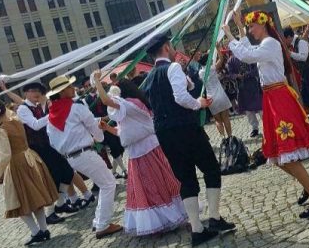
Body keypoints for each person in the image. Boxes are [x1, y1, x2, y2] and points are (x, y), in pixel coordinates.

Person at [224, 10, 309, 217]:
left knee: (285, 154)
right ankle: (308, 184)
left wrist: (229, 35)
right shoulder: (266, 44)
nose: (251, 30)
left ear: (262, 25)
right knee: (275, 154)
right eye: (250, 27)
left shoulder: (270, 43)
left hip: (278, 98)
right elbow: (250, 50)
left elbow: (247, 55)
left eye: (252, 26)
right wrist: (239, 29)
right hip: (272, 98)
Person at [140, 33, 235, 246]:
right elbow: (181, 97)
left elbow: (185, 88)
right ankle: (215, 218)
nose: (174, 49)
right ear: (166, 47)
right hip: (185, 127)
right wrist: (199, 103)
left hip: (164, 132)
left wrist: (185, 78)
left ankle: (197, 229)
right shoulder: (172, 68)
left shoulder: (151, 76)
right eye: (171, 45)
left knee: (186, 178)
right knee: (211, 168)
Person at [92, 73, 187, 236]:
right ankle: (162, 219)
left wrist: (98, 83)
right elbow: (125, 132)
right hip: (140, 151)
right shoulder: (131, 106)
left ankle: (166, 219)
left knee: (155, 185)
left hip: (147, 151)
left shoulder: (131, 104)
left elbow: (107, 101)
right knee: (150, 187)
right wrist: (107, 128)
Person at [45, 75, 123, 239]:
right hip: (84, 152)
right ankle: (103, 225)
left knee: (105, 184)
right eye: (69, 87)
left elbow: (53, 142)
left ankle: (99, 221)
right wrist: (99, 137)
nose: (73, 88)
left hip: (71, 157)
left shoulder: (51, 115)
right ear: (62, 92)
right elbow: (92, 126)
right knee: (109, 184)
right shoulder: (76, 107)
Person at [4, 82, 85, 224]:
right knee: (51, 178)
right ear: (26, 93)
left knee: (66, 172)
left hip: (48, 145)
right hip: (37, 148)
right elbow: (35, 125)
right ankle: (50, 212)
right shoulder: (23, 109)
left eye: (39, 91)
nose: (37, 93)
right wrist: (53, 114)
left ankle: (60, 204)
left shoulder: (36, 106)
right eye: (33, 90)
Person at [0, 100, 59, 245]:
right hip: (30, 158)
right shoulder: (16, 120)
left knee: (18, 200)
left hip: (17, 163)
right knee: (36, 197)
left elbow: (4, 155)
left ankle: (35, 231)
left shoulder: (1, 130)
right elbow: (10, 113)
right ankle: (44, 229)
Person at [84, 84, 127, 179]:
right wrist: (102, 118)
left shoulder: (102, 94)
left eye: (89, 84)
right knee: (114, 148)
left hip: (111, 123)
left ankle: (114, 172)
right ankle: (124, 170)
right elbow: (87, 117)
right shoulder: (85, 100)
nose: (89, 87)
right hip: (100, 127)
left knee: (120, 147)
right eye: (86, 86)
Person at [284, 27, 309, 123]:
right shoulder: (293, 44)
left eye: (284, 39)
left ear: (289, 37)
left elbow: (303, 57)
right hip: (304, 71)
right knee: (306, 93)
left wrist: (290, 53)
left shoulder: (301, 42)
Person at [226, 54, 263, 137]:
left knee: (261, 107)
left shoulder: (248, 54)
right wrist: (236, 76)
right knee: (248, 110)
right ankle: (255, 128)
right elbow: (229, 74)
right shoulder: (231, 60)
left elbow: (256, 68)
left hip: (253, 85)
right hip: (242, 88)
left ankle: (267, 125)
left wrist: (248, 74)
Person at [198, 53, 234, 138]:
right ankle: (230, 137)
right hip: (220, 95)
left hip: (211, 98)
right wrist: (218, 49)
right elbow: (221, 60)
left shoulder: (200, 73)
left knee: (217, 120)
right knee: (226, 118)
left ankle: (223, 137)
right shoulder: (212, 68)